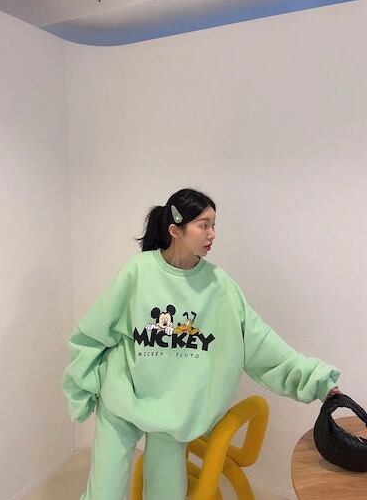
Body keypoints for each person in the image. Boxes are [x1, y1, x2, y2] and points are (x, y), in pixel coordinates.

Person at [61, 187, 341, 500]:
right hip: (123, 394)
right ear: (175, 230)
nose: (212, 234)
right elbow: (94, 331)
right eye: (204, 225)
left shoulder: (219, 285)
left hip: (174, 409)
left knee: (167, 494)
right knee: (104, 492)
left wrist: (317, 379)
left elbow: (261, 342)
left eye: (214, 225)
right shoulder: (138, 271)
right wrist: (83, 388)